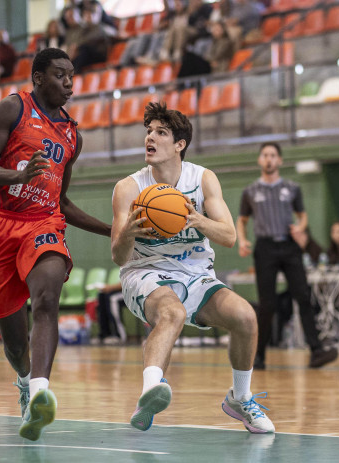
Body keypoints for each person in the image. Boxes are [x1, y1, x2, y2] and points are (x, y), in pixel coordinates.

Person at [0, 47, 111, 441]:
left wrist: (111, 229)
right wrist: (17, 177)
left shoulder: (72, 136)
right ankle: (24, 380)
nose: (68, 83)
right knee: (15, 345)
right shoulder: (12, 110)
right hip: (0, 227)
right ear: (37, 78)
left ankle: (39, 394)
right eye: (59, 75)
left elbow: (61, 203)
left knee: (47, 298)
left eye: (71, 76)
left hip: (43, 224)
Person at [111, 101, 274, 434]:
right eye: (148, 132)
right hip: (145, 271)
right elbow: (118, 255)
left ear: (179, 144)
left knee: (245, 317)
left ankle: (239, 398)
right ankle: (149, 393)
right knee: (172, 313)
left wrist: (196, 219)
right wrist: (128, 231)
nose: (150, 138)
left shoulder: (202, 179)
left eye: (161, 132)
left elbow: (229, 235)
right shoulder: (129, 188)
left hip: (196, 274)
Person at [236, 143, 338, 369]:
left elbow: (302, 216)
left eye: (273, 155)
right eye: (265, 155)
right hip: (265, 248)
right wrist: (242, 240)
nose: (269, 159)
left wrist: (300, 228)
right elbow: (241, 221)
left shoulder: (292, 188)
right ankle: (259, 356)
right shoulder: (250, 191)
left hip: (290, 246)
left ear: (280, 160)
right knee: (267, 304)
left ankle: (317, 351)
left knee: (303, 296)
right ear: (260, 160)